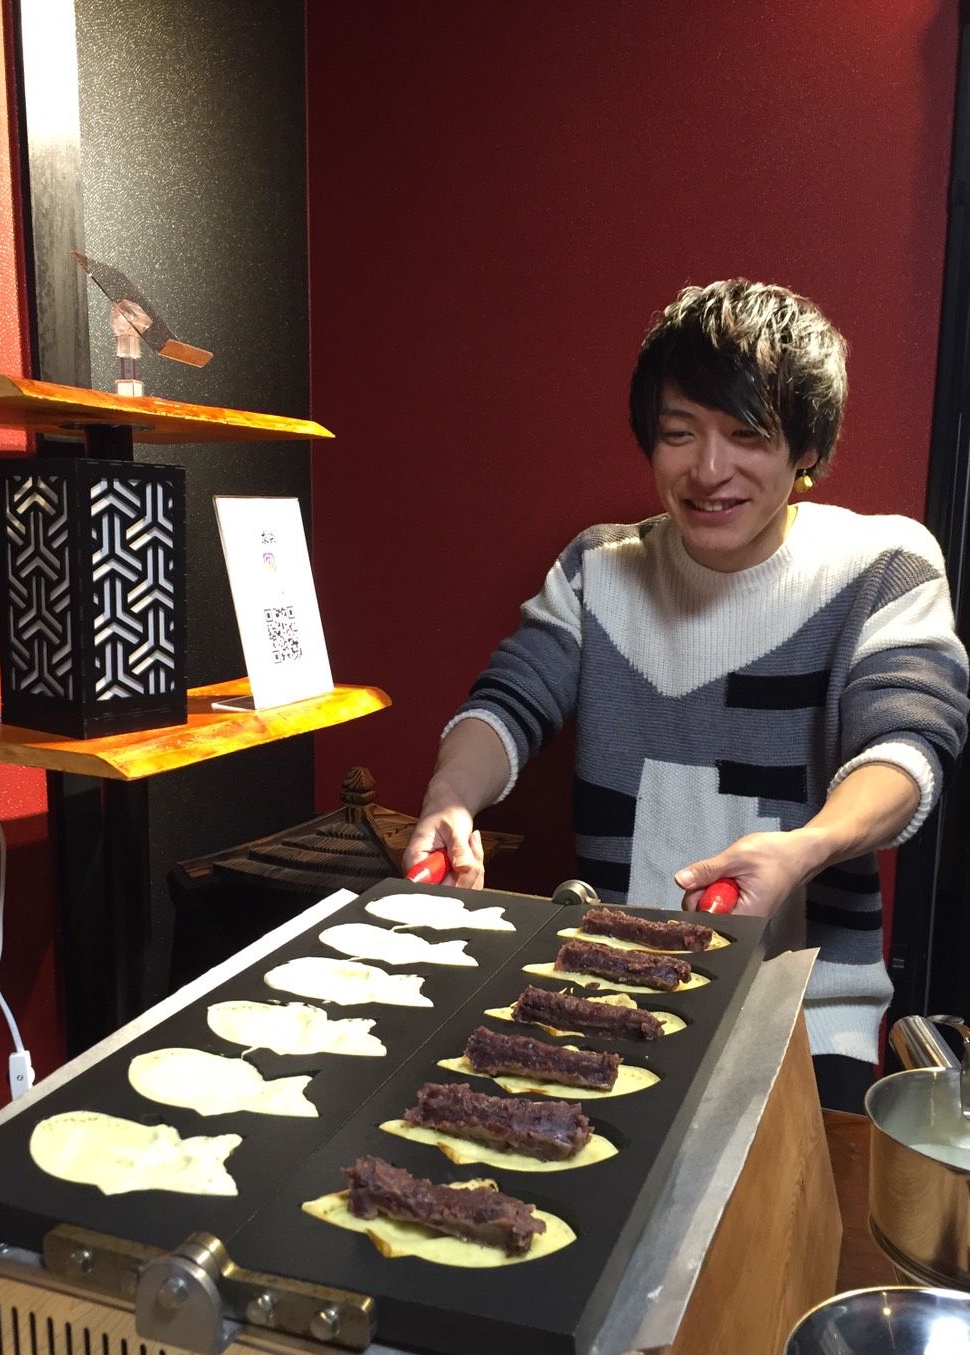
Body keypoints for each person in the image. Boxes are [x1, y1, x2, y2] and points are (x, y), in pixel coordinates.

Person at [403, 278, 969, 1111]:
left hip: (808, 1014)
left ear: (806, 448)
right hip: (605, 997)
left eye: (748, 435)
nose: (709, 470)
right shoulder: (600, 568)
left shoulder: (883, 566)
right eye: (680, 434)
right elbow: (509, 702)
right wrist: (450, 801)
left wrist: (807, 848)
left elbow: (909, 745)